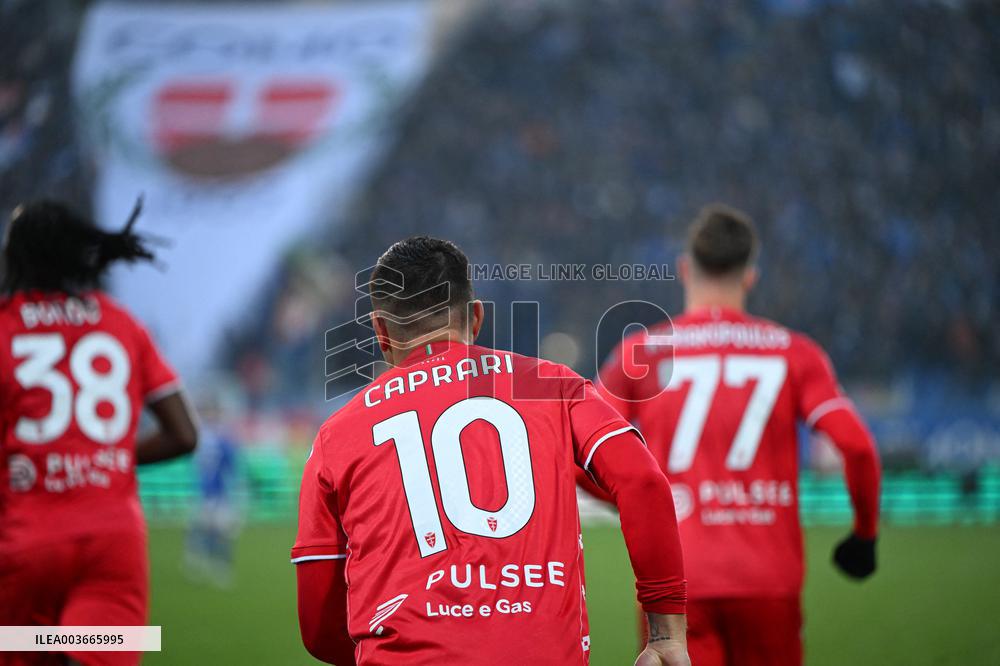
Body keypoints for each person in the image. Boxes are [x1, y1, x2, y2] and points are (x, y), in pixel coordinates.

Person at [293, 236, 690, 665]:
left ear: (381, 331)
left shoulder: (338, 434)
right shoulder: (550, 385)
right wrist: (665, 632)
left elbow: (318, 628)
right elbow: (643, 481)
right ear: (476, 316)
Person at [595, 204, 881, 666]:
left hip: (675, 580)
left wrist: (640, 502)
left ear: (685, 269)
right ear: (750, 277)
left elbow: (583, 454)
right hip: (769, 580)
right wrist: (865, 535)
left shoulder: (639, 351)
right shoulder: (795, 352)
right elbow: (858, 447)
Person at [0, 200, 198, 666]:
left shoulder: (5, 326)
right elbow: (184, 434)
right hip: (113, 542)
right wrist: (98, 457)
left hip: (27, 540)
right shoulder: (120, 323)